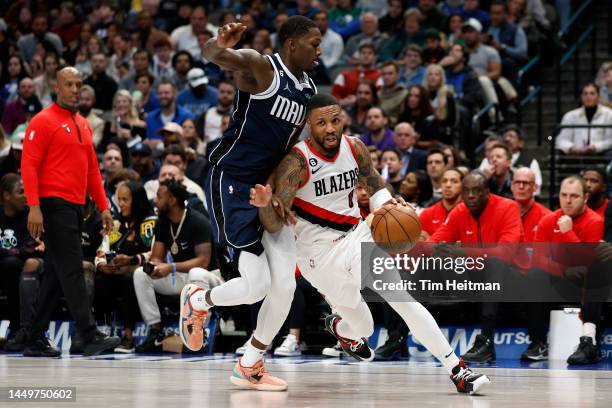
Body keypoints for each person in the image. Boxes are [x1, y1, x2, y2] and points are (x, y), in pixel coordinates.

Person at [251, 93, 491, 394]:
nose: (330, 128)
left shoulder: (355, 147)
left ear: (344, 119)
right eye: (321, 122)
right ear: (308, 125)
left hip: (358, 235)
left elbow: (376, 188)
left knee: (401, 297)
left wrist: (389, 206)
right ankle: (341, 328)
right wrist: (264, 205)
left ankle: (456, 369)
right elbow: (275, 223)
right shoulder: (296, 163)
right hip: (319, 257)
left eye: (335, 120)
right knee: (363, 328)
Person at [178, 17, 321, 391]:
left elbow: (285, 149)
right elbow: (215, 56)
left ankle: (251, 362)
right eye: (313, 43)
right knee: (256, 285)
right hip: (232, 183)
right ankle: (200, 298)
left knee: (285, 288)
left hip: (269, 190)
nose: (319, 50)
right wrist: (217, 43)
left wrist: (280, 192)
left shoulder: (308, 89)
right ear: (291, 45)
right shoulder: (262, 67)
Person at [20, 67, 120, 357]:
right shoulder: (42, 121)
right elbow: (29, 165)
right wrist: (34, 206)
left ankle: (34, 337)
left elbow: (91, 170)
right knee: (74, 269)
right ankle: (88, 336)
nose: (75, 90)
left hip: (75, 206)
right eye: (69, 85)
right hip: (53, 205)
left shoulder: (83, 124)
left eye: (78, 84)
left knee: (54, 274)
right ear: (57, 87)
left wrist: (103, 206)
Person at [429, 171, 524, 363]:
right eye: (467, 191)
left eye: (477, 191)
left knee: (495, 264)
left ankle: (486, 342)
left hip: (514, 279)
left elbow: (505, 254)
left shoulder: (508, 207)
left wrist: (464, 252)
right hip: (477, 278)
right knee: (429, 260)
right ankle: (398, 335)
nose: (471, 195)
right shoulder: (460, 211)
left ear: (487, 193)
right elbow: (434, 241)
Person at [134, 179, 222, 353]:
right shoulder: (162, 222)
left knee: (197, 272)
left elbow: (203, 261)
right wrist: (154, 267)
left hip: (210, 278)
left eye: (159, 196)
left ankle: (199, 332)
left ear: (172, 200)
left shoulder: (198, 221)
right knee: (140, 274)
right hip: (181, 277)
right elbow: (157, 257)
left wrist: (171, 267)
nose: (155, 200)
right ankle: (155, 332)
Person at [533, 176, 604, 365]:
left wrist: (568, 232)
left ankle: (588, 342)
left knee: (597, 269)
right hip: (559, 279)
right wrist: (564, 270)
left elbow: (586, 261)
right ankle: (538, 343)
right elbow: (537, 258)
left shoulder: (594, 221)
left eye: (574, 196)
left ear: (585, 198)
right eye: (564, 195)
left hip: (586, 283)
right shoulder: (548, 220)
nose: (568, 200)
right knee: (533, 275)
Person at [94, 181, 156, 353]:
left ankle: (128, 336)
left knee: (130, 279)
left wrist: (132, 260)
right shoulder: (115, 223)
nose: (120, 204)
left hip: (143, 273)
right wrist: (101, 265)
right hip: (116, 273)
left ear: (136, 200)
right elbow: (101, 250)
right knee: (100, 279)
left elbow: (156, 253)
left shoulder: (151, 223)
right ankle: (103, 332)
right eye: (119, 199)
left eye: (125, 200)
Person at [0, 173, 43, 351]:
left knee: (10, 265)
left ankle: (19, 327)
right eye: (21, 192)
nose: (26, 196)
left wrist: (6, 253)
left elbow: (29, 248)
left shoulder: (30, 215)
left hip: (20, 266)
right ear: (6, 196)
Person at [556, 83, 612, 156]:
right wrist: (571, 147)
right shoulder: (570, 116)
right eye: (585, 94)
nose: (588, 96)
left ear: (599, 97)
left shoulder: (609, 114)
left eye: (592, 93)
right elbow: (561, 140)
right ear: (581, 97)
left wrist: (595, 147)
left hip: (600, 154)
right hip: (576, 154)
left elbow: (610, 140)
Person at [419, 168, 463, 239]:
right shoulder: (427, 214)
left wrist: (431, 242)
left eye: (454, 181)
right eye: (444, 181)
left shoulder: (469, 213)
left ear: (463, 186)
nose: (448, 185)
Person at [145, 80, 193, 145]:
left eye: (166, 93)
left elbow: (190, 142)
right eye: (160, 93)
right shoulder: (150, 118)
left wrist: (160, 144)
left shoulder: (186, 116)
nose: (163, 96)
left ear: (174, 95)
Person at [379, 61, 408, 126]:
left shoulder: (404, 94)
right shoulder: (378, 94)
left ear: (397, 75)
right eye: (384, 74)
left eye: (390, 74)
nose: (386, 77)